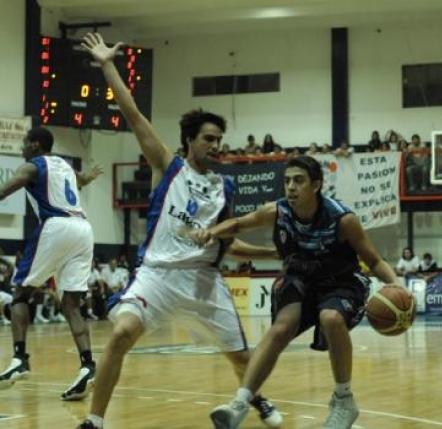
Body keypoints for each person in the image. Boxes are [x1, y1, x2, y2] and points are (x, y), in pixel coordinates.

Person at [76, 33, 282, 429]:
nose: (216, 145)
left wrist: (272, 254)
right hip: (157, 277)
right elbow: (133, 114)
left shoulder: (226, 188)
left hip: (204, 283)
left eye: (220, 140)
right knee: (119, 335)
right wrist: (107, 65)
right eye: (208, 139)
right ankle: (94, 422)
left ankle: (256, 398)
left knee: (241, 359)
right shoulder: (169, 168)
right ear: (189, 140)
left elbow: (227, 243)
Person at [189, 155, 401, 428]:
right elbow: (239, 224)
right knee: (280, 329)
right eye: (287, 180)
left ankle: (344, 400)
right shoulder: (276, 211)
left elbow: (374, 261)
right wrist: (211, 231)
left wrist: (395, 284)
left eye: (298, 180)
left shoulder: (342, 219)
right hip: (300, 278)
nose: (290, 186)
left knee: (330, 318)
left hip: (341, 282)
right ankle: (239, 404)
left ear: (316, 185)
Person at [0, 126, 103, 401]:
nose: (22, 147)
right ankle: (87, 366)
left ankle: (20, 358)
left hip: (56, 226)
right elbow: (78, 180)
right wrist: (88, 178)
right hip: (84, 229)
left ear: (34, 144)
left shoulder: (33, 166)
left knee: (20, 294)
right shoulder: (65, 165)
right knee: (71, 304)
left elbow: (6, 190)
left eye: (24, 143)